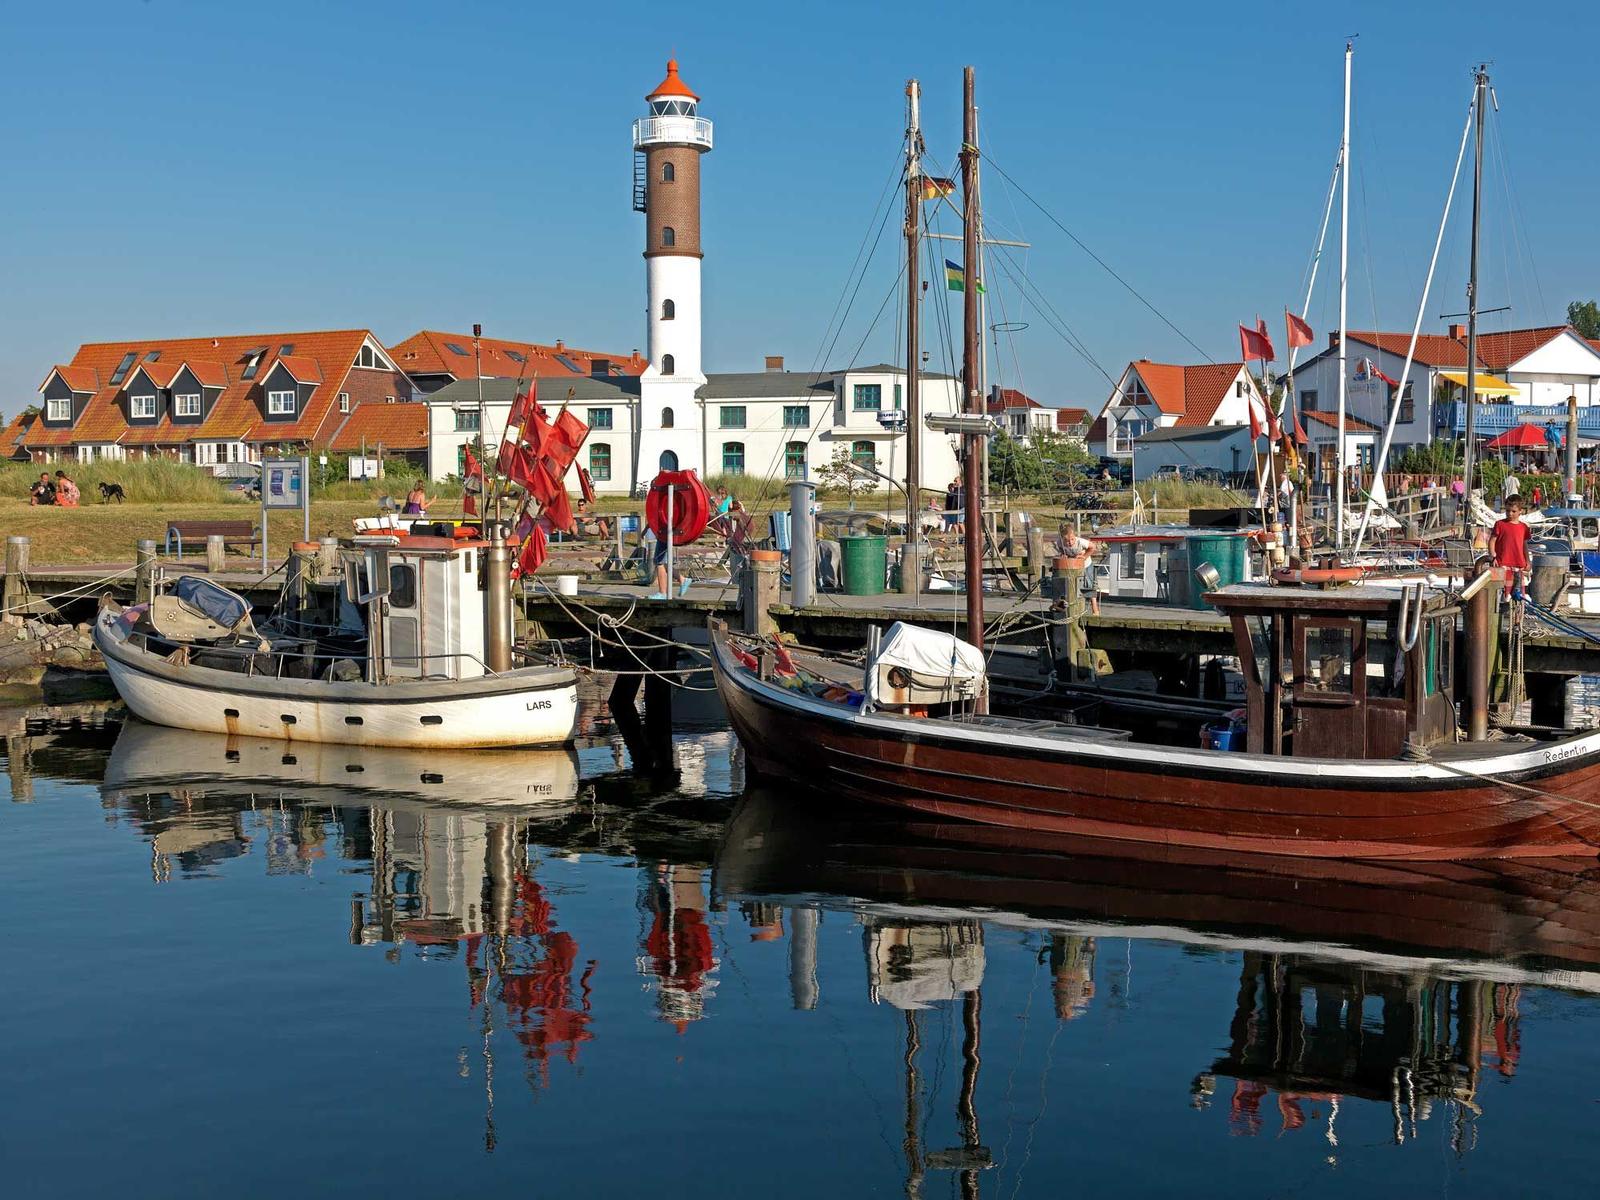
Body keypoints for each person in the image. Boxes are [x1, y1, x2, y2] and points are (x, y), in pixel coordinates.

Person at [1492, 494, 1530, 598]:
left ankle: (1517, 614)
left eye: (1513, 511)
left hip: (1519, 564)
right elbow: (1492, 540)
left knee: (1518, 596)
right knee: (1502, 595)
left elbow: (1524, 545)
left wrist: (1528, 561)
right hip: (1502, 563)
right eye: (1508, 510)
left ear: (1520, 511)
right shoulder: (1499, 524)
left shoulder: (1524, 527)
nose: (1510, 513)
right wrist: (1493, 556)